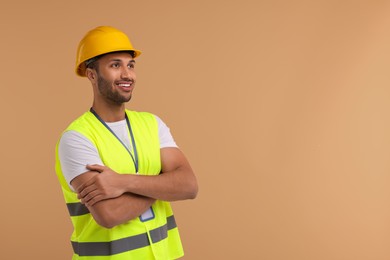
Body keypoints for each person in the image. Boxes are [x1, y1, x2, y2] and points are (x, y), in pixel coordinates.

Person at [55, 25, 198, 259]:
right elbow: (109, 214)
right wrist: (165, 184)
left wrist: (121, 182)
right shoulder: (76, 138)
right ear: (91, 74)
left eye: (130, 65)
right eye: (115, 65)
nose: (127, 74)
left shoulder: (152, 124)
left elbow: (189, 186)